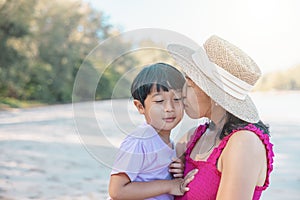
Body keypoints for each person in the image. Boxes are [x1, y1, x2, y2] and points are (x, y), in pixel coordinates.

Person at [167, 35, 274, 200]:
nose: (181, 94)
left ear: (214, 95)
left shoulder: (244, 143)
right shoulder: (193, 136)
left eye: (188, 85)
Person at [109, 63, 198, 200]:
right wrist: (169, 185)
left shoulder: (168, 142)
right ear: (140, 107)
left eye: (177, 99)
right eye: (159, 100)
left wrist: (178, 170)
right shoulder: (139, 141)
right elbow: (117, 191)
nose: (169, 108)